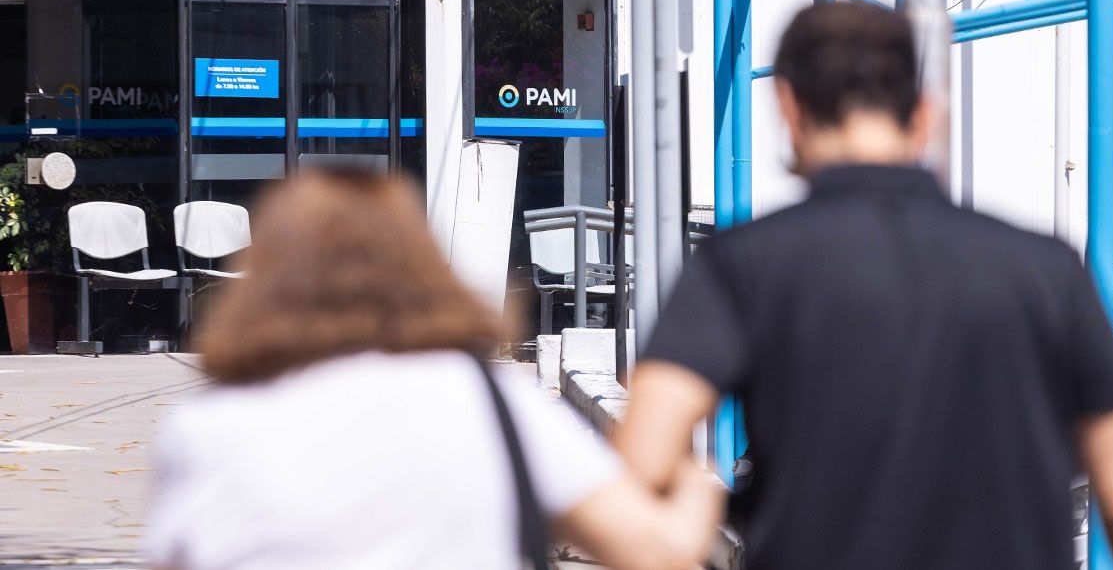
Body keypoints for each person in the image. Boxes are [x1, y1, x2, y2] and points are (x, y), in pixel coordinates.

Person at [614, 2, 1113, 569]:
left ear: (787, 105)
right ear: (924, 113)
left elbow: (642, 463)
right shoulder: (1047, 269)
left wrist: (713, 501)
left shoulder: (741, 264)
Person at [147, 168, 721, 570]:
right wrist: (689, 474)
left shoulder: (208, 426)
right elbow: (658, 551)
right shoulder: (488, 401)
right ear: (418, 262)